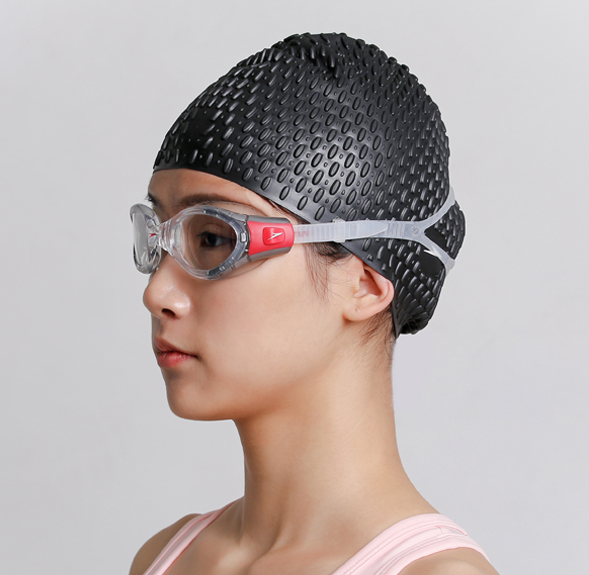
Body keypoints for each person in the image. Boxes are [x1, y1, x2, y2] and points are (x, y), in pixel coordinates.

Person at [129, 33, 499, 575]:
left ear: (365, 282)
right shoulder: (166, 558)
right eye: (160, 236)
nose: (156, 293)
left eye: (213, 239)